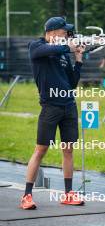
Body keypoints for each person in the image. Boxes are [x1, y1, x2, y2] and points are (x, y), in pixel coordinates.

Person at [20, 17, 85, 209]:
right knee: (41, 150)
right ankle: (27, 196)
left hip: (69, 106)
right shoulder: (36, 46)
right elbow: (50, 49)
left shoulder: (64, 54)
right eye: (63, 31)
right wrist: (69, 46)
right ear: (51, 32)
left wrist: (78, 60)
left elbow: (72, 83)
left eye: (67, 32)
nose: (66, 34)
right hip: (50, 107)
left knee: (68, 149)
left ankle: (68, 194)